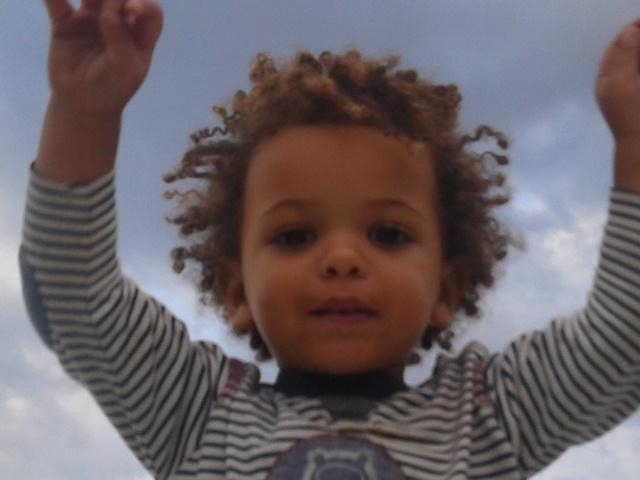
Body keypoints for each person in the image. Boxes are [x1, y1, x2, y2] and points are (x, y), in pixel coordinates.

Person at [20, 0, 640, 478]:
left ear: (446, 291)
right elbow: (71, 296)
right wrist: (85, 112)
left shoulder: (488, 417)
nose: (342, 259)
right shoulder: (197, 412)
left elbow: (622, 342)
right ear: (237, 292)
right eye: (295, 236)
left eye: (388, 234)